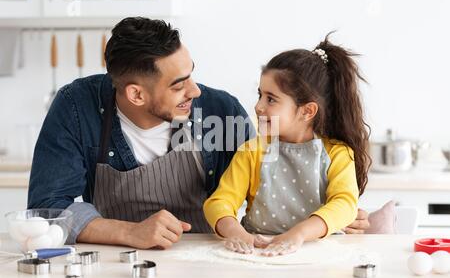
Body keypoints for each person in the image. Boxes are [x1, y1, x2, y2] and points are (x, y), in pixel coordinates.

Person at [28, 18, 369, 251]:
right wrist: (128, 231)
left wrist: (330, 213)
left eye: (191, 74)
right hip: (118, 263)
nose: (195, 91)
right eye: (178, 85)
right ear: (136, 95)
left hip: (204, 263)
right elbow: (46, 209)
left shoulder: (221, 110)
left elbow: (262, 187)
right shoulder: (77, 107)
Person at [203, 33, 372, 256]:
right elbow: (219, 201)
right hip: (258, 253)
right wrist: (235, 231)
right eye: (259, 95)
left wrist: (299, 234)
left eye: (271, 99)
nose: (258, 106)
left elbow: (344, 204)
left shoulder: (338, 154)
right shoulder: (252, 152)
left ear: (307, 111)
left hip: (318, 254)